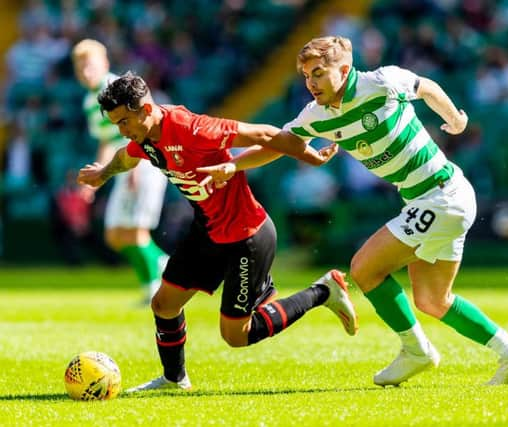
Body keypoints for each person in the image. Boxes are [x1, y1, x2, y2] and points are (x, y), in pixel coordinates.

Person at [198, 36, 508, 386]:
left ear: (344, 70)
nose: (311, 82)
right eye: (305, 75)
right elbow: (282, 144)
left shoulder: (381, 82)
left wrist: (455, 120)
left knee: (364, 268)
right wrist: (234, 167)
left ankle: (417, 351)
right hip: (435, 198)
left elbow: (427, 87)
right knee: (433, 300)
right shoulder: (317, 114)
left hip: (440, 195)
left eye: (318, 72)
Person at [76, 71, 358, 392]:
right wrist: (102, 173)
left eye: (124, 121)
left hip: (246, 235)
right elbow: (126, 158)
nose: (122, 131)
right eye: (116, 125)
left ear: (146, 109)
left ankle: (323, 291)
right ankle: (174, 379)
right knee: (163, 305)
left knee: (236, 335)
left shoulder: (191, 128)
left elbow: (264, 135)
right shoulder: (143, 139)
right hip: (207, 229)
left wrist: (310, 156)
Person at [72, 39, 169, 303]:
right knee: (115, 235)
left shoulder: (116, 89)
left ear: (105, 63)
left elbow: (142, 127)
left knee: (136, 231)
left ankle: (154, 287)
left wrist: (137, 166)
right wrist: (99, 176)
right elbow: (108, 140)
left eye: (89, 63)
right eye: (80, 65)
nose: (85, 70)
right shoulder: (90, 100)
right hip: (124, 165)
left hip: (143, 162)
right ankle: (162, 266)